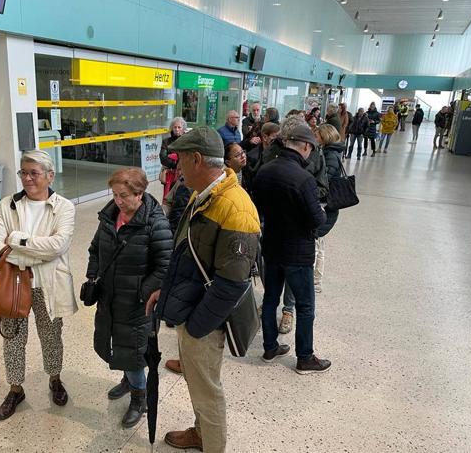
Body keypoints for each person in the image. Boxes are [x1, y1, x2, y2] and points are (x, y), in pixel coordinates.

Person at [148, 126, 260, 453]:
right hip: (192, 309)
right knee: (197, 385)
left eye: (180, 161)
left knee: (207, 390)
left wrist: (196, 328)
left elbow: (233, 283)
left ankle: (212, 445)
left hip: (205, 321)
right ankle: (200, 433)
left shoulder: (235, 207)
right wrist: (164, 290)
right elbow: (185, 251)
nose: (176, 168)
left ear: (196, 159)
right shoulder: (203, 194)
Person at [0, 150, 76, 421]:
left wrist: (16, 240)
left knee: (51, 337)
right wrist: (35, 252)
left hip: (49, 285)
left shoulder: (64, 207)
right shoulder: (8, 204)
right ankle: (16, 389)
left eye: (34, 173)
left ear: (50, 176)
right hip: (13, 284)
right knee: (12, 339)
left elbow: (58, 245)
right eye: (23, 173)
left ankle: (55, 379)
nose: (27, 178)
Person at [87, 167, 173, 428]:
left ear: (140, 193)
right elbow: (94, 249)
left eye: (124, 195)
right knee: (116, 343)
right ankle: (128, 380)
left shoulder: (155, 223)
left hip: (137, 304)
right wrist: (93, 276)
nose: (118, 201)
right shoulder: (110, 216)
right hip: (110, 298)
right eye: (114, 194)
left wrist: (141, 291)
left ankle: (139, 398)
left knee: (134, 352)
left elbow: (165, 266)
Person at [252, 122, 330, 374]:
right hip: (298, 252)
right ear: (306, 147)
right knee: (305, 306)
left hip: (272, 246)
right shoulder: (304, 178)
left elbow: (258, 208)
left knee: (270, 299)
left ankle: (269, 347)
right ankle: (305, 357)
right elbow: (317, 220)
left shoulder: (264, 170)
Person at [314, 124, 346, 292]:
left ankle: (316, 282)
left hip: (326, 205)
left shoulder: (329, 155)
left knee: (317, 246)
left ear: (324, 137)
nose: (315, 138)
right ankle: (316, 281)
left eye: (317, 135)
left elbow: (324, 180)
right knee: (320, 245)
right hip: (328, 205)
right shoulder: (332, 152)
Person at [160, 117, 187, 199]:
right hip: (169, 175)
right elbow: (163, 158)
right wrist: (176, 162)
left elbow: (187, 157)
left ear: (183, 129)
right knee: (168, 196)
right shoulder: (166, 141)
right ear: (172, 128)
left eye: (179, 127)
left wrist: (172, 157)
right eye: (175, 127)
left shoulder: (186, 142)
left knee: (180, 196)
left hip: (183, 174)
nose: (177, 129)